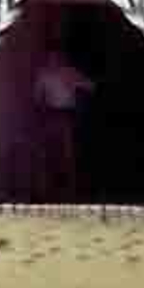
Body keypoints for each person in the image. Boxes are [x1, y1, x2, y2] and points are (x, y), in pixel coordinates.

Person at [32, 27, 94, 202]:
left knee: (67, 154)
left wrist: (76, 89)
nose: (53, 59)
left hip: (66, 114)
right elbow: (37, 96)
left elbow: (89, 86)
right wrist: (40, 114)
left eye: (56, 56)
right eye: (51, 56)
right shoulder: (43, 74)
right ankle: (52, 191)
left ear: (60, 56)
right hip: (50, 114)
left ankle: (70, 191)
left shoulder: (68, 72)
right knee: (51, 153)